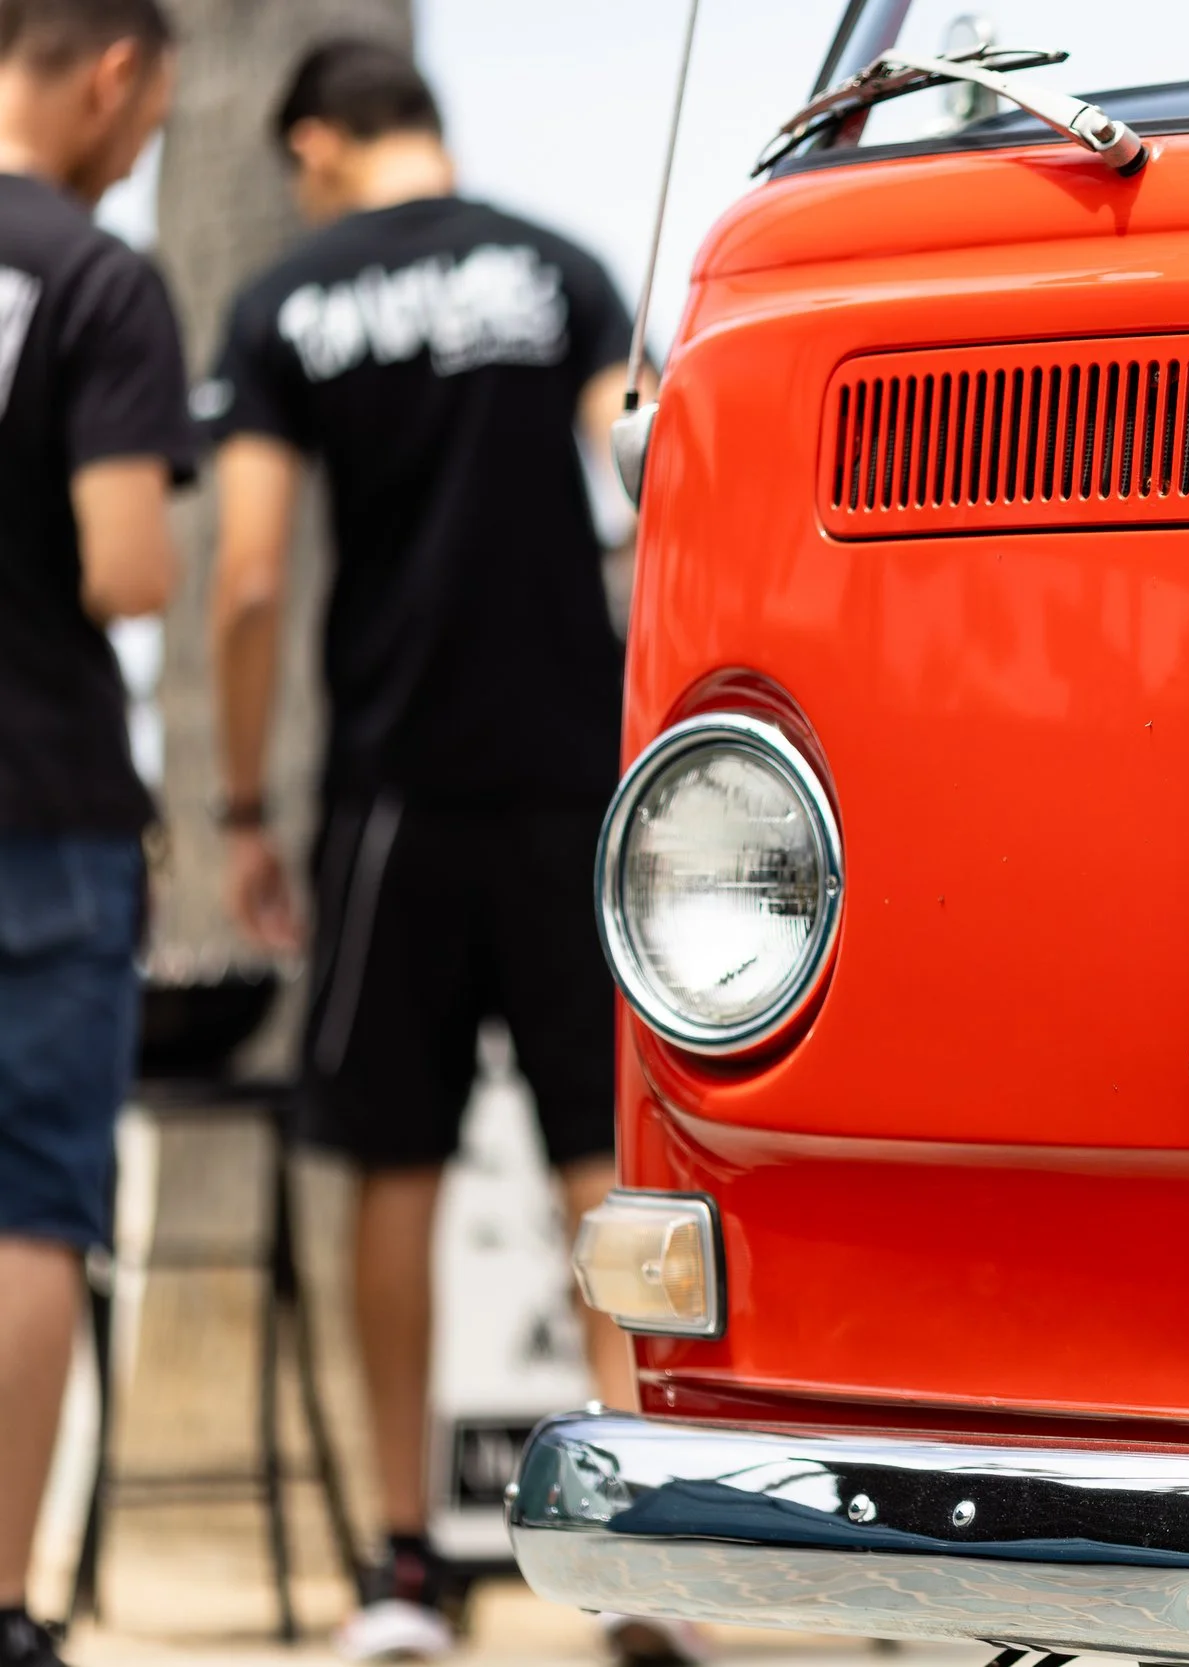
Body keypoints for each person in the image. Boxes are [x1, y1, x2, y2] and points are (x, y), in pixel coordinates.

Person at [200, 37, 668, 1665]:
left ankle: (403, 1571)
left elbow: (250, 578)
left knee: (390, 1159)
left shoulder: (286, 305)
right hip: (570, 777)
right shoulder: (560, 269)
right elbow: (647, 472)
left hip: (390, 791)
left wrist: (246, 806)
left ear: (316, 143)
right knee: (598, 1159)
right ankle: (644, 1559)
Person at [0, 4, 185, 1666]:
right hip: (40, 802)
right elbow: (129, 567)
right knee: (31, 1204)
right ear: (112, 68)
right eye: (156, 118)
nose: (145, 152)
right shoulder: (99, 278)